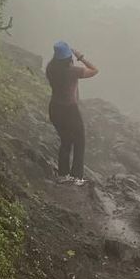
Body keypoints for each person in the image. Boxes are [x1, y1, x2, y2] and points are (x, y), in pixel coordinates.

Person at [45, 41, 98, 186]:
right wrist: (80, 56)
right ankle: (77, 177)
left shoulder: (51, 69)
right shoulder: (72, 71)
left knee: (66, 141)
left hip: (55, 109)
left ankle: (63, 175)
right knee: (79, 141)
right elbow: (94, 70)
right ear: (69, 57)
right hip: (70, 110)